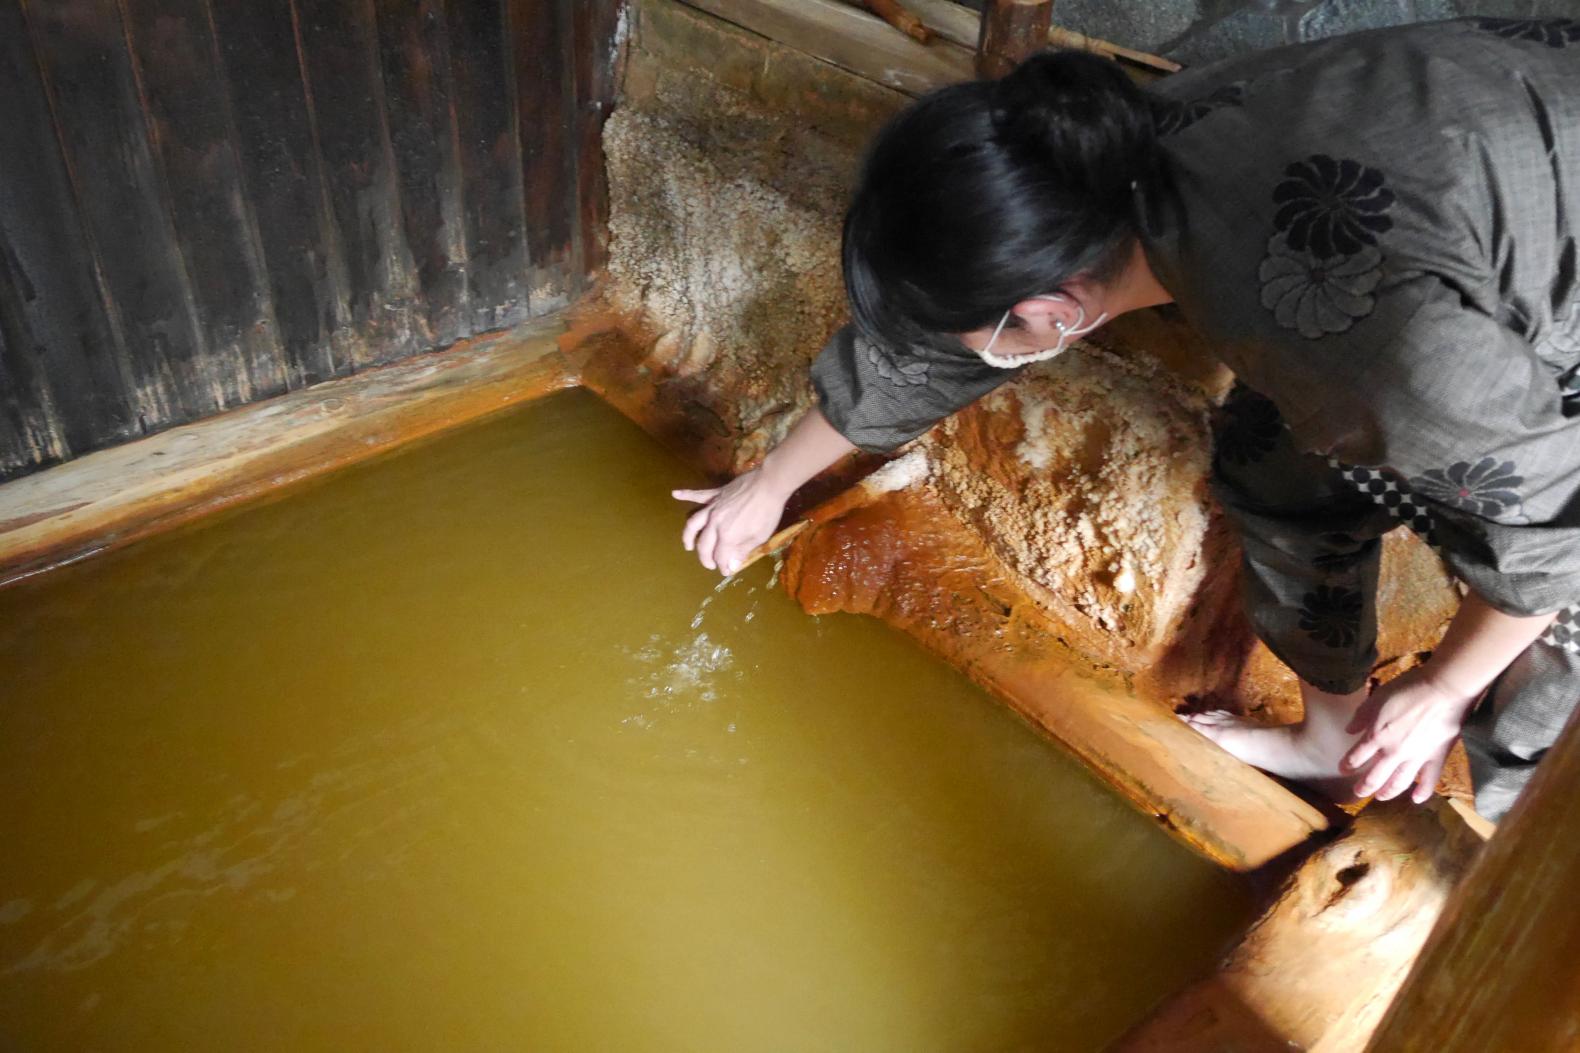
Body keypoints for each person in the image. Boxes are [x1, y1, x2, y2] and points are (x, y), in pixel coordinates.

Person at [673, 17, 1580, 822]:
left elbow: (1552, 529)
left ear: (1059, 306)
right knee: (1275, 458)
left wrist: (1445, 689)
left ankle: (1511, 848)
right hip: (1482, 173)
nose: (975, 345)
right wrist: (771, 480)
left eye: (988, 325)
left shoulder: (1354, 321)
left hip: (1527, 297)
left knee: (1556, 651)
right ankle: (1331, 740)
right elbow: (936, 349)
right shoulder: (1102, 161)